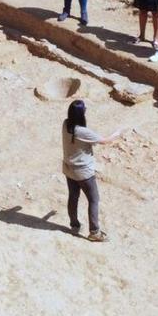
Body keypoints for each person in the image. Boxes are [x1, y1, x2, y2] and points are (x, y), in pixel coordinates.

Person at [61, 99, 124, 242]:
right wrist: (117, 132)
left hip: (69, 169)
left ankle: (74, 226)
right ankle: (94, 232)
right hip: (83, 172)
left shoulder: (66, 124)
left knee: (73, 196)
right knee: (94, 200)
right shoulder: (82, 132)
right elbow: (105, 141)